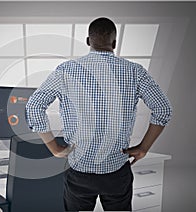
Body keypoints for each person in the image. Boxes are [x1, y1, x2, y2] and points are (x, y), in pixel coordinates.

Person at [25, 17, 172, 211]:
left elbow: (34, 106)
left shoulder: (66, 70)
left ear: (88, 41)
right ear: (114, 43)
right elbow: (163, 109)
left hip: (79, 171)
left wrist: (54, 148)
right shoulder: (135, 71)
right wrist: (144, 147)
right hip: (117, 172)